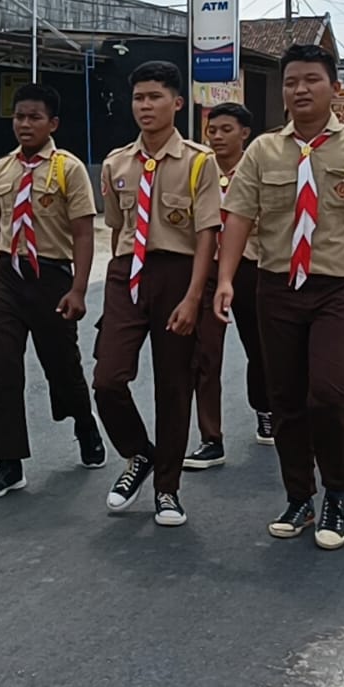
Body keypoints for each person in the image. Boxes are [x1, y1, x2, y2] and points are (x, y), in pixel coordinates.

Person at [215, 44, 344, 551]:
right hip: (278, 286)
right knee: (286, 398)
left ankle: (336, 494)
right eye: (291, 82)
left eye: (311, 81)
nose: (300, 90)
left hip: (341, 289)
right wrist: (226, 278)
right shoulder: (263, 151)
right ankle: (299, 496)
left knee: (335, 391)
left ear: (334, 89)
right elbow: (238, 217)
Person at [93, 61, 221, 527]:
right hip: (128, 273)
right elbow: (117, 229)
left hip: (178, 273)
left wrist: (194, 297)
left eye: (155, 97)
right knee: (108, 377)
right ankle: (138, 453)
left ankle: (167, 489)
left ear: (177, 103)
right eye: (138, 98)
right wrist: (117, 282)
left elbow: (208, 233)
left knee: (174, 385)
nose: (145, 106)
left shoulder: (198, 161)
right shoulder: (116, 162)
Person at [0, 83, 107, 499]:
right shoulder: (1, 170)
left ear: (53, 123)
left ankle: (85, 425)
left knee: (62, 365)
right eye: (19, 117)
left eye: (34, 117)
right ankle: (9, 463)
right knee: (1, 366)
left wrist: (79, 289)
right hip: (8, 276)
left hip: (51, 277)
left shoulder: (68, 168)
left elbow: (83, 232)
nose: (25, 125)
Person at [185, 102, 270, 472]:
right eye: (212, 130)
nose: (217, 137)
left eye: (225, 130)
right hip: (207, 268)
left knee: (262, 347)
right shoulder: (195, 169)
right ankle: (210, 438)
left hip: (252, 266)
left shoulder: (260, 170)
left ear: (244, 133)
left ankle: (266, 408)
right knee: (204, 355)